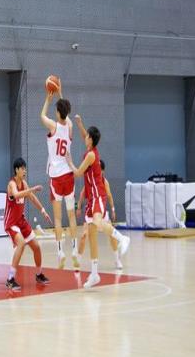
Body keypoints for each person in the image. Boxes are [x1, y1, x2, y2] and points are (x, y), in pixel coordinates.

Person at [66, 115, 130, 289]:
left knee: (98, 222)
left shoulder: (91, 156)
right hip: (91, 199)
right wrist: (80, 124)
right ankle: (94, 274)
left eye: (87, 136)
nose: (84, 137)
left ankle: (122, 238)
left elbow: (78, 173)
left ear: (91, 140)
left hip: (98, 196)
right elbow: (84, 135)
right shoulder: (91, 149)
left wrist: (69, 161)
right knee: (92, 236)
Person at [40, 81, 78, 269]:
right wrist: (61, 93)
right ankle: (75, 250)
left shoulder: (53, 126)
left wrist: (48, 99)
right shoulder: (69, 126)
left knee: (57, 218)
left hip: (56, 177)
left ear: (57, 112)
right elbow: (66, 113)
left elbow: (41, 116)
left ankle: (60, 252)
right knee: (71, 216)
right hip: (69, 176)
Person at [4, 158, 52, 291]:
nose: (24, 171)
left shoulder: (24, 183)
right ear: (16, 170)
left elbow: (32, 198)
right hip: (11, 222)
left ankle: (39, 274)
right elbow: (16, 194)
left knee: (36, 247)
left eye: (25, 168)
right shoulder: (11, 184)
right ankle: (10, 279)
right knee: (21, 243)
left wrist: (43, 211)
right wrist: (31, 189)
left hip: (21, 221)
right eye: (22, 168)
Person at [77, 159, 123, 270]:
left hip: (101, 212)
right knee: (84, 236)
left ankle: (117, 260)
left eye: (99, 170)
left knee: (112, 236)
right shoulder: (90, 180)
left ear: (103, 171)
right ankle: (77, 261)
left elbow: (109, 196)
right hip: (90, 212)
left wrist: (113, 209)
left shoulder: (104, 182)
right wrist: (78, 208)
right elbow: (82, 195)